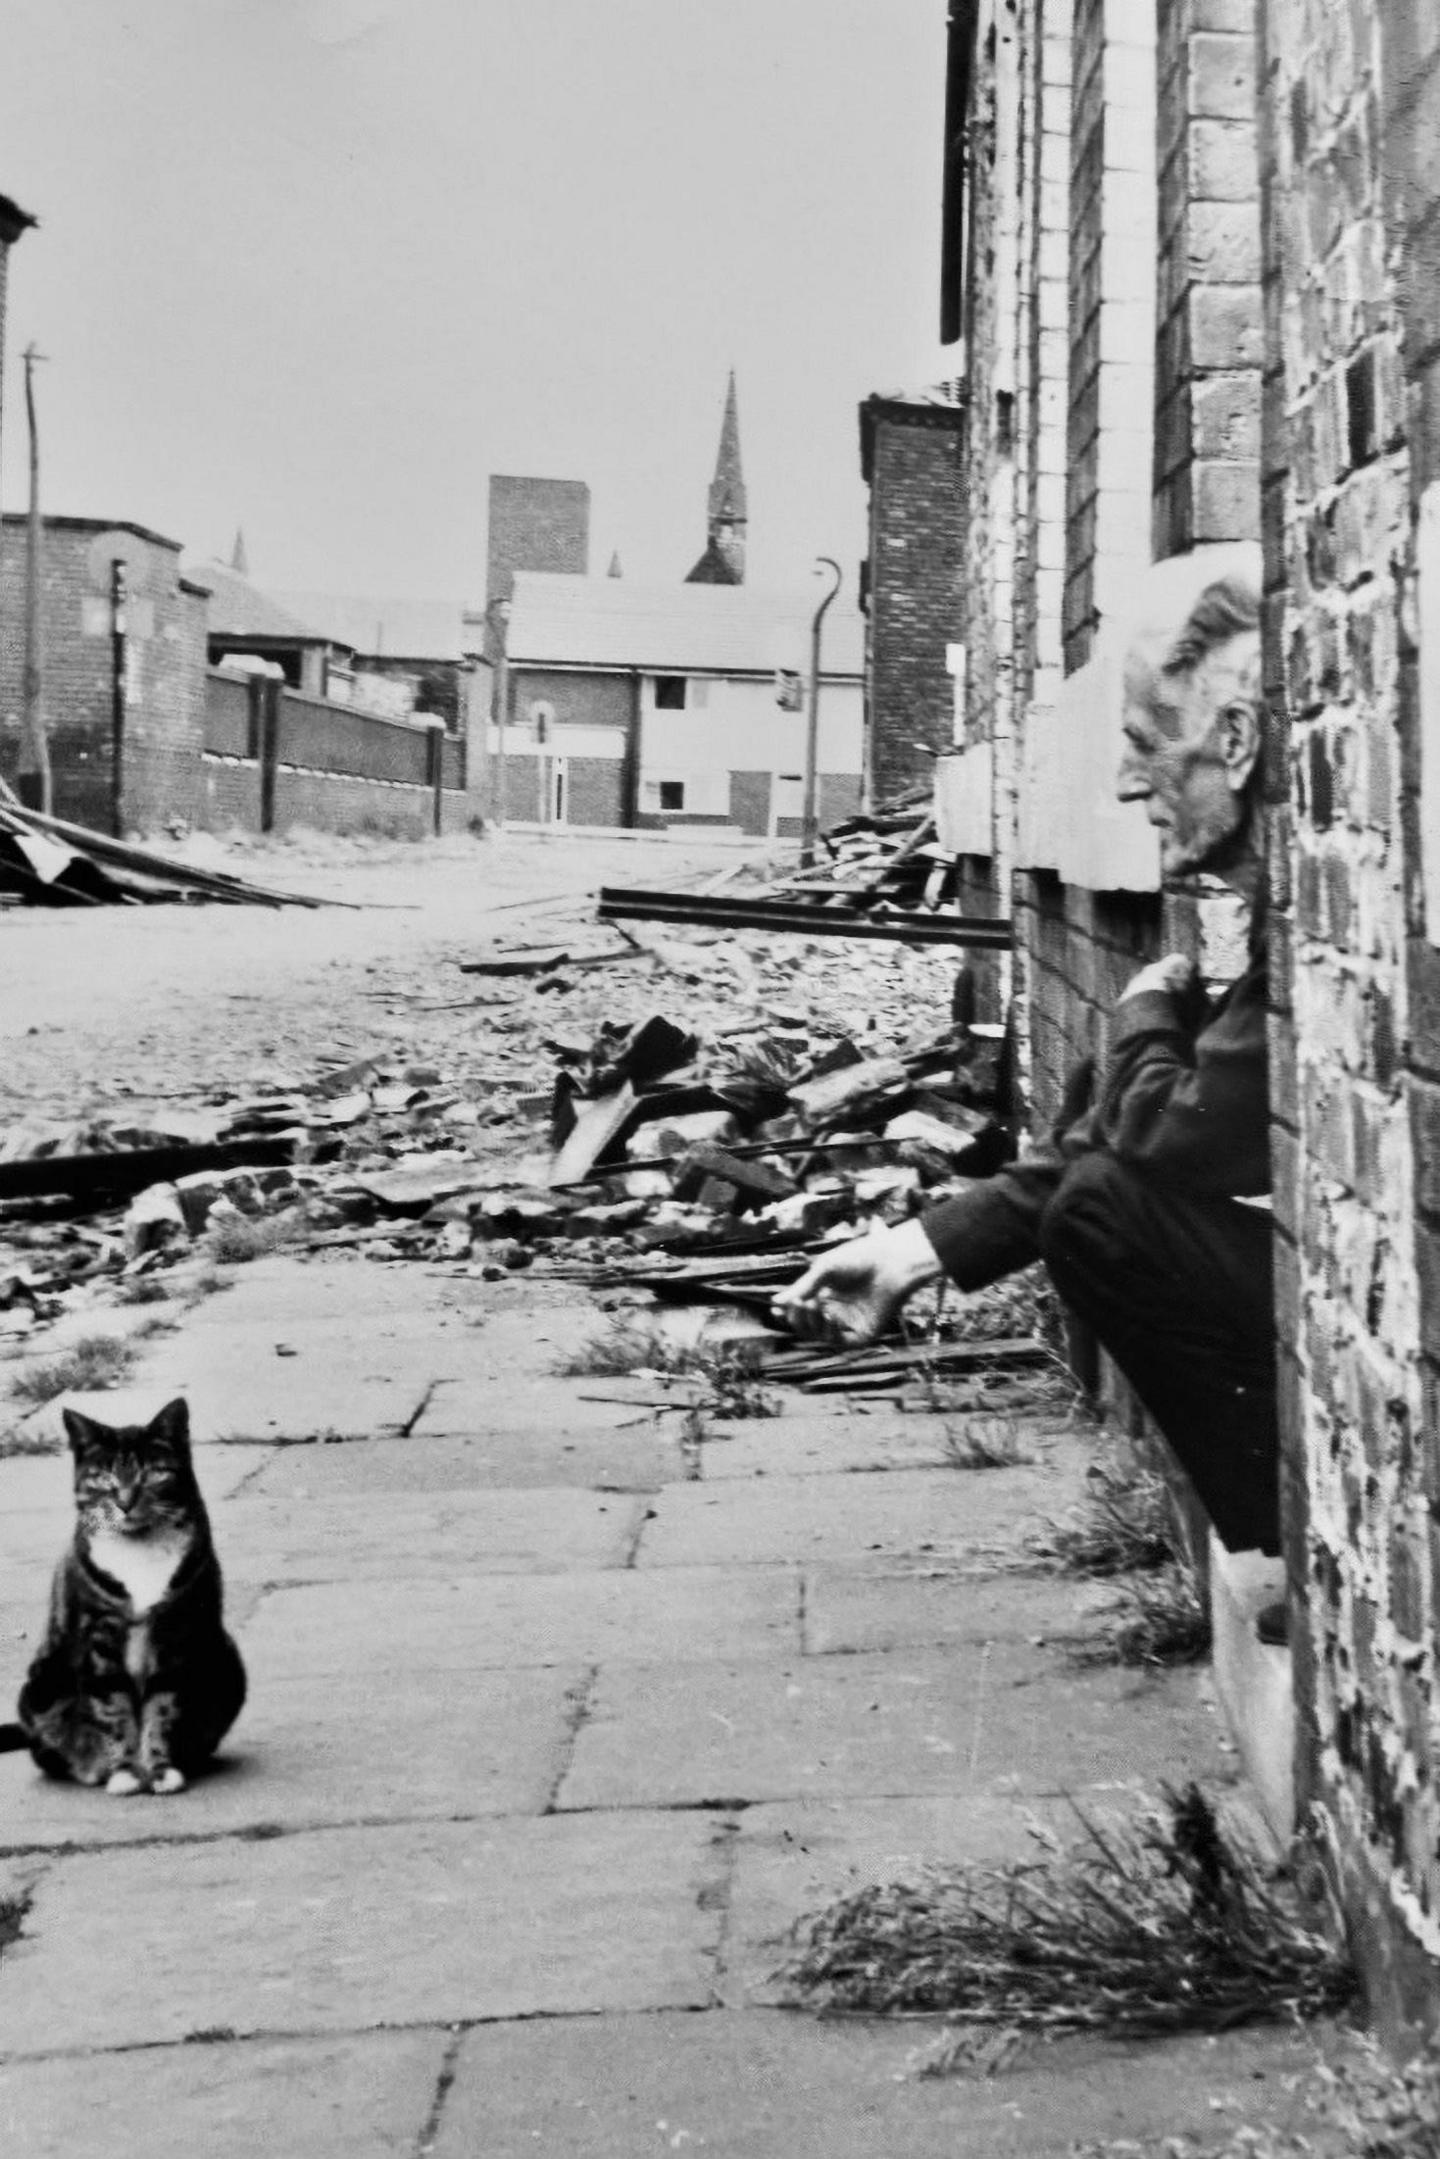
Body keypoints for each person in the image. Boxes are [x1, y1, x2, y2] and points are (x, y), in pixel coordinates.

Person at [773, 568, 1280, 1560]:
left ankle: (1295, 1537)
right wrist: (915, 1250)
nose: (1131, 785)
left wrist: (1142, 1016)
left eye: (1144, 746)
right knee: (1099, 1132)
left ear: (1238, 742)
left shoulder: (1317, 913)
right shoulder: (1288, 896)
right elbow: (1132, 1127)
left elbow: (1174, 1136)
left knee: (1101, 1201)